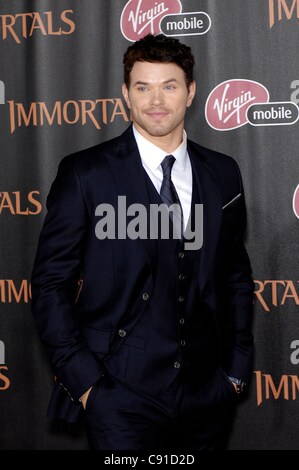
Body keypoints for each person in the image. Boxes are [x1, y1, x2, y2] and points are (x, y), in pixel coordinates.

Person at [31, 33, 254, 450]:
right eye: (142, 87)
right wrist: (88, 386)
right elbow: (49, 286)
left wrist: (236, 370)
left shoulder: (223, 172)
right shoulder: (86, 174)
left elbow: (235, 276)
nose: (156, 100)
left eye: (169, 86)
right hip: (118, 393)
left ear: (190, 92)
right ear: (125, 95)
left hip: (206, 394)